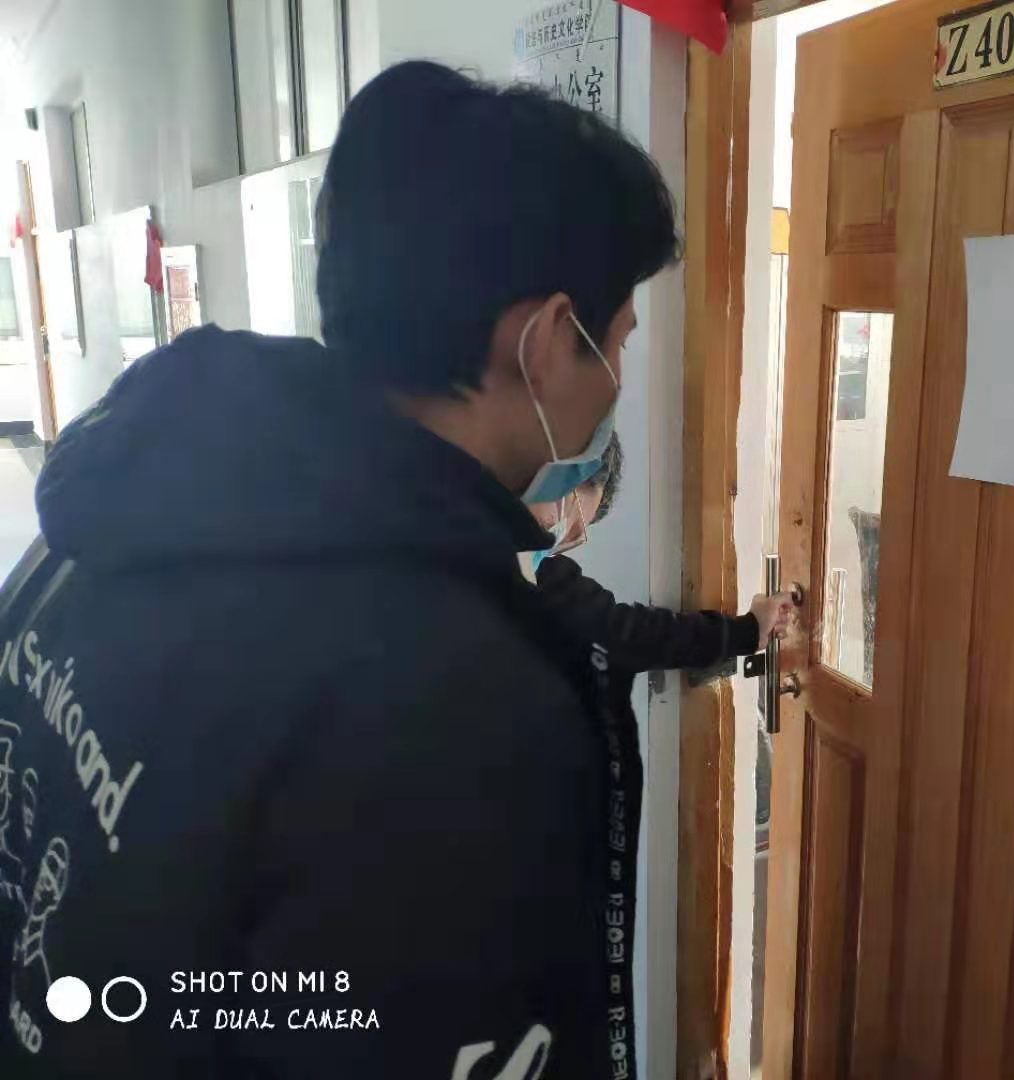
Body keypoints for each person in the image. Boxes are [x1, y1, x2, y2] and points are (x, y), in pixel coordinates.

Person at [0, 61, 676, 1078]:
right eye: (615, 343)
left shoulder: (111, 512)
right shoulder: (453, 704)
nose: (618, 379)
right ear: (543, 343)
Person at [527, 435, 793, 673]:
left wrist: (747, 632)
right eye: (566, 519)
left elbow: (627, 636)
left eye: (571, 535)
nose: (553, 535)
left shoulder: (538, 573)